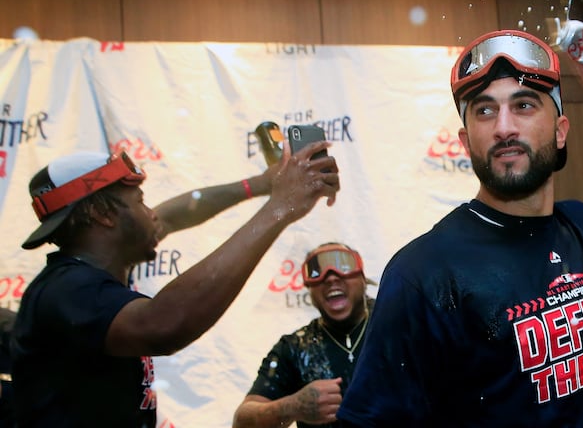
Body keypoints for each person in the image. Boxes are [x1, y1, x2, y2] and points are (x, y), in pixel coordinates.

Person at [337, 29, 583, 427]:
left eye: (524, 105)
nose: (503, 127)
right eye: (484, 110)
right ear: (465, 141)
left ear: (560, 131)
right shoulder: (424, 275)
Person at [11, 142, 339, 427]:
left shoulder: (82, 274)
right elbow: (163, 325)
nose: (151, 214)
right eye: (139, 201)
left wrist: (262, 184)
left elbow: (177, 213)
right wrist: (282, 206)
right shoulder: (66, 290)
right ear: (102, 214)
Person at [233, 243, 373, 428]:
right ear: (308, 288)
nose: (331, 278)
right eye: (316, 271)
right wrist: (292, 406)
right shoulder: (293, 348)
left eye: (343, 266)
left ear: (362, 278)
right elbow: (241, 422)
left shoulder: (398, 325)